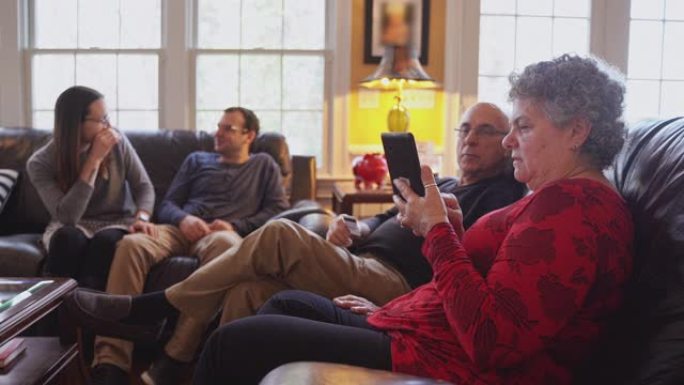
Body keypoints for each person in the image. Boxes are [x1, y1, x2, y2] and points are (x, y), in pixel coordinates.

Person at [189, 54, 635, 385]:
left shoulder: (574, 210)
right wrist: (397, 308)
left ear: (577, 130)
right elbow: (494, 288)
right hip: (430, 332)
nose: (508, 142)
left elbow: (493, 340)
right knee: (289, 304)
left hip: (450, 358)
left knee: (234, 342)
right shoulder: (552, 199)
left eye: (524, 127)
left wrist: (438, 233)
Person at [66, 102, 527, 384]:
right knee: (249, 291)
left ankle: (160, 305)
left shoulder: (502, 195)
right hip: (358, 261)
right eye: (464, 128)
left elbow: (469, 265)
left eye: (486, 131)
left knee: (282, 235)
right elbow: (385, 216)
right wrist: (352, 226)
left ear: (506, 144)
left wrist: (443, 228)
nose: (470, 139)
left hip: (399, 285)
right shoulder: (440, 179)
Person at [88, 106, 290, 385]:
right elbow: (169, 202)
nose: (217, 133)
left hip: (220, 233)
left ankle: (176, 355)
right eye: (218, 126)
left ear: (249, 135)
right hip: (179, 230)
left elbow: (277, 210)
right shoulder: (197, 159)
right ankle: (111, 361)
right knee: (131, 244)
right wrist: (183, 219)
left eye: (227, 128)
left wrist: (236, 226)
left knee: (227, 245)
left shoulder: (264, 165)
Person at [27, 86, 156, 290]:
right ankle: (55, 312)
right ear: (75, 124)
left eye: (108, 118)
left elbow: (144, 186)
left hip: (116, 222)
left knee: (105, 243)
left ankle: (90, 312)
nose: (109, 126)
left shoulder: (118, 142)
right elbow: (68, 217)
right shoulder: (40, 163)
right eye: (102, 120)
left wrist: (142, 218)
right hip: (72, 224)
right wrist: (94, 160)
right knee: (67, 239)